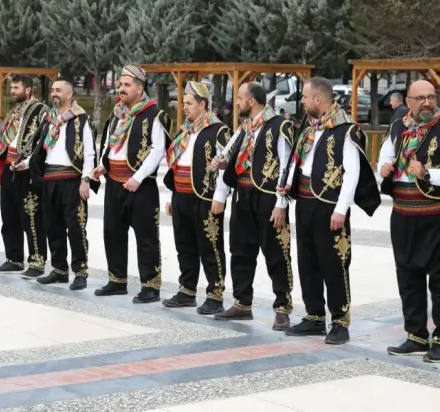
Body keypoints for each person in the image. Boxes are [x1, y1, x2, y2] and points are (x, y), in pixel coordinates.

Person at [278, 77, 380, 345]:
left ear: (318, 100)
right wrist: (287, 188)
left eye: (304, 97)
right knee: (307, 261)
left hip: (330, 207)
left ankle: (340, 322)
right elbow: (299, 163)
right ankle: (313, 317)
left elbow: (352, 173)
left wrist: (341, 210)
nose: (301, 101)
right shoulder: (308, 128)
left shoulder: (345, 130)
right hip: (305, 203)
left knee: (334, 264)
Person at [377, 80, 440, 362]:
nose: (428, 103)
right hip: (403, 214)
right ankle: (415, 335)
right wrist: (383, 166)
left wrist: (428, 173)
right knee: (408, 276)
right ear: (409, 101)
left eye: (431, 97)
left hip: (438, 214)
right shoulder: (398, 126)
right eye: (421, 98)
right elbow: (385, 154)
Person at [214, 82, 296, 329]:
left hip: (268, 197)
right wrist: (222, 172)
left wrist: (281, 203)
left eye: (239, 98)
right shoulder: (244, 128)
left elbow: (286, 164)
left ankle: (282, 307)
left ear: (252, 101)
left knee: (276, 252)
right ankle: (242, 303)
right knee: (240, 250)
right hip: (242, 194)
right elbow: (237, 158)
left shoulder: (279, 126)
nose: (236, 102)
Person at [91, 65, 170, 304]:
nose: (121, 89)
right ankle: (117, 280)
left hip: (140, 184)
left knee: (146, 236)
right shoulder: (118, 114)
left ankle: (151, 286)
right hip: (114, 181)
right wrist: (103, 164)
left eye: (126, 85)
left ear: (139, 87)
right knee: (113, 231)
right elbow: (111, 143)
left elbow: (158, 150)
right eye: (120, 84)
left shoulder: (154, 114)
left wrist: (139, 177)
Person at [161, 81, 230, 315]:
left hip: (205, 197)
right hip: (181, 195)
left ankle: (215, 294)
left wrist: (220, 197)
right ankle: (187, 291)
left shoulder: (218, 130)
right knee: (185, 246)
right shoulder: (185, 130)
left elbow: (223, 166)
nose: (185, 107)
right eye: (183, 103)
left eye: (189, 103)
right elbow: (178, 164)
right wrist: (173, 195)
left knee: (210, 247)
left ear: (203, 104)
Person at [25, 78, 97, 289]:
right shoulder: (49, 119)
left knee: (76, 228)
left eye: (59, 91)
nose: (54, 94)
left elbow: (90, 152)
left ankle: (81, 272)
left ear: (70, 95)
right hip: (49, 179)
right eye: (53, 90)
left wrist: (86, 179)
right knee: (52, 227)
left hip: (71, 180)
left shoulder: (81, 119)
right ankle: (59, 270)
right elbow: (39, 150)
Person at [0, 74, 47, 275]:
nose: (12, 91)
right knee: (9, 215)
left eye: (16, 88)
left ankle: (37, 262)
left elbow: (42, 142)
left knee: (31, 216)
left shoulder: (41, 110)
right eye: (11, 88)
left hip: (26, 170)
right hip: (8, 167)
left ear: (28, 89)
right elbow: (10, 138)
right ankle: (13, 258)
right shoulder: (15, 110)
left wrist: (30, 162)